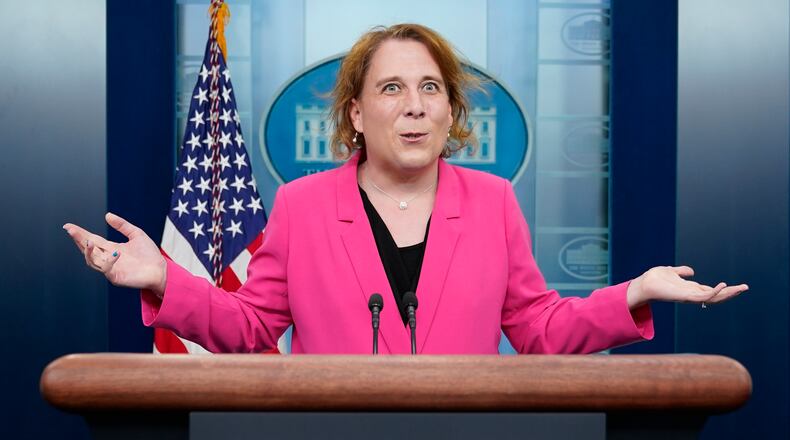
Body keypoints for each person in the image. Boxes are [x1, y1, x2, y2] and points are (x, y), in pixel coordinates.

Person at [63, 24, 747, 354]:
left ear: (451, 111)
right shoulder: (303, 206)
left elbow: (539, 328)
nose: (414, 106)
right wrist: (166, 279)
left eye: (430, 89)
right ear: (357, 114)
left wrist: (634, 293)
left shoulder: (493, 203)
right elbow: (251, 328)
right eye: (391, 88)